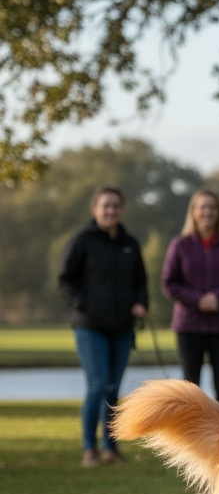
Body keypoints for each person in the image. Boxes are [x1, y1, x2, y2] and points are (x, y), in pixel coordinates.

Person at [58, 185, 149, 467]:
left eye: (115, 206)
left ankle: (111, 448)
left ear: (121, 210)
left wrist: (141, 303)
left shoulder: (130, 244)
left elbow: (140, 282)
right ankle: (89, 449)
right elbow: (65, 279)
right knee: (97, 386)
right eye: (105, 206)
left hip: (122, 328)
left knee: (113, 390)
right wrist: (84, 305)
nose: (110, 211)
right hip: (90, 327)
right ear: (94, 209)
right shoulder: (82, 241)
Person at [161, 189, 219, 409]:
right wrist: (197, 299)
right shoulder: (180, 244)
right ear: (193, 212)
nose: (207, 212)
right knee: (190, 387)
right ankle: (190, 439)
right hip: (188, 324)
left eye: (212, 207)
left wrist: (217, 298)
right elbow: (169, 282)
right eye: (202, 207)